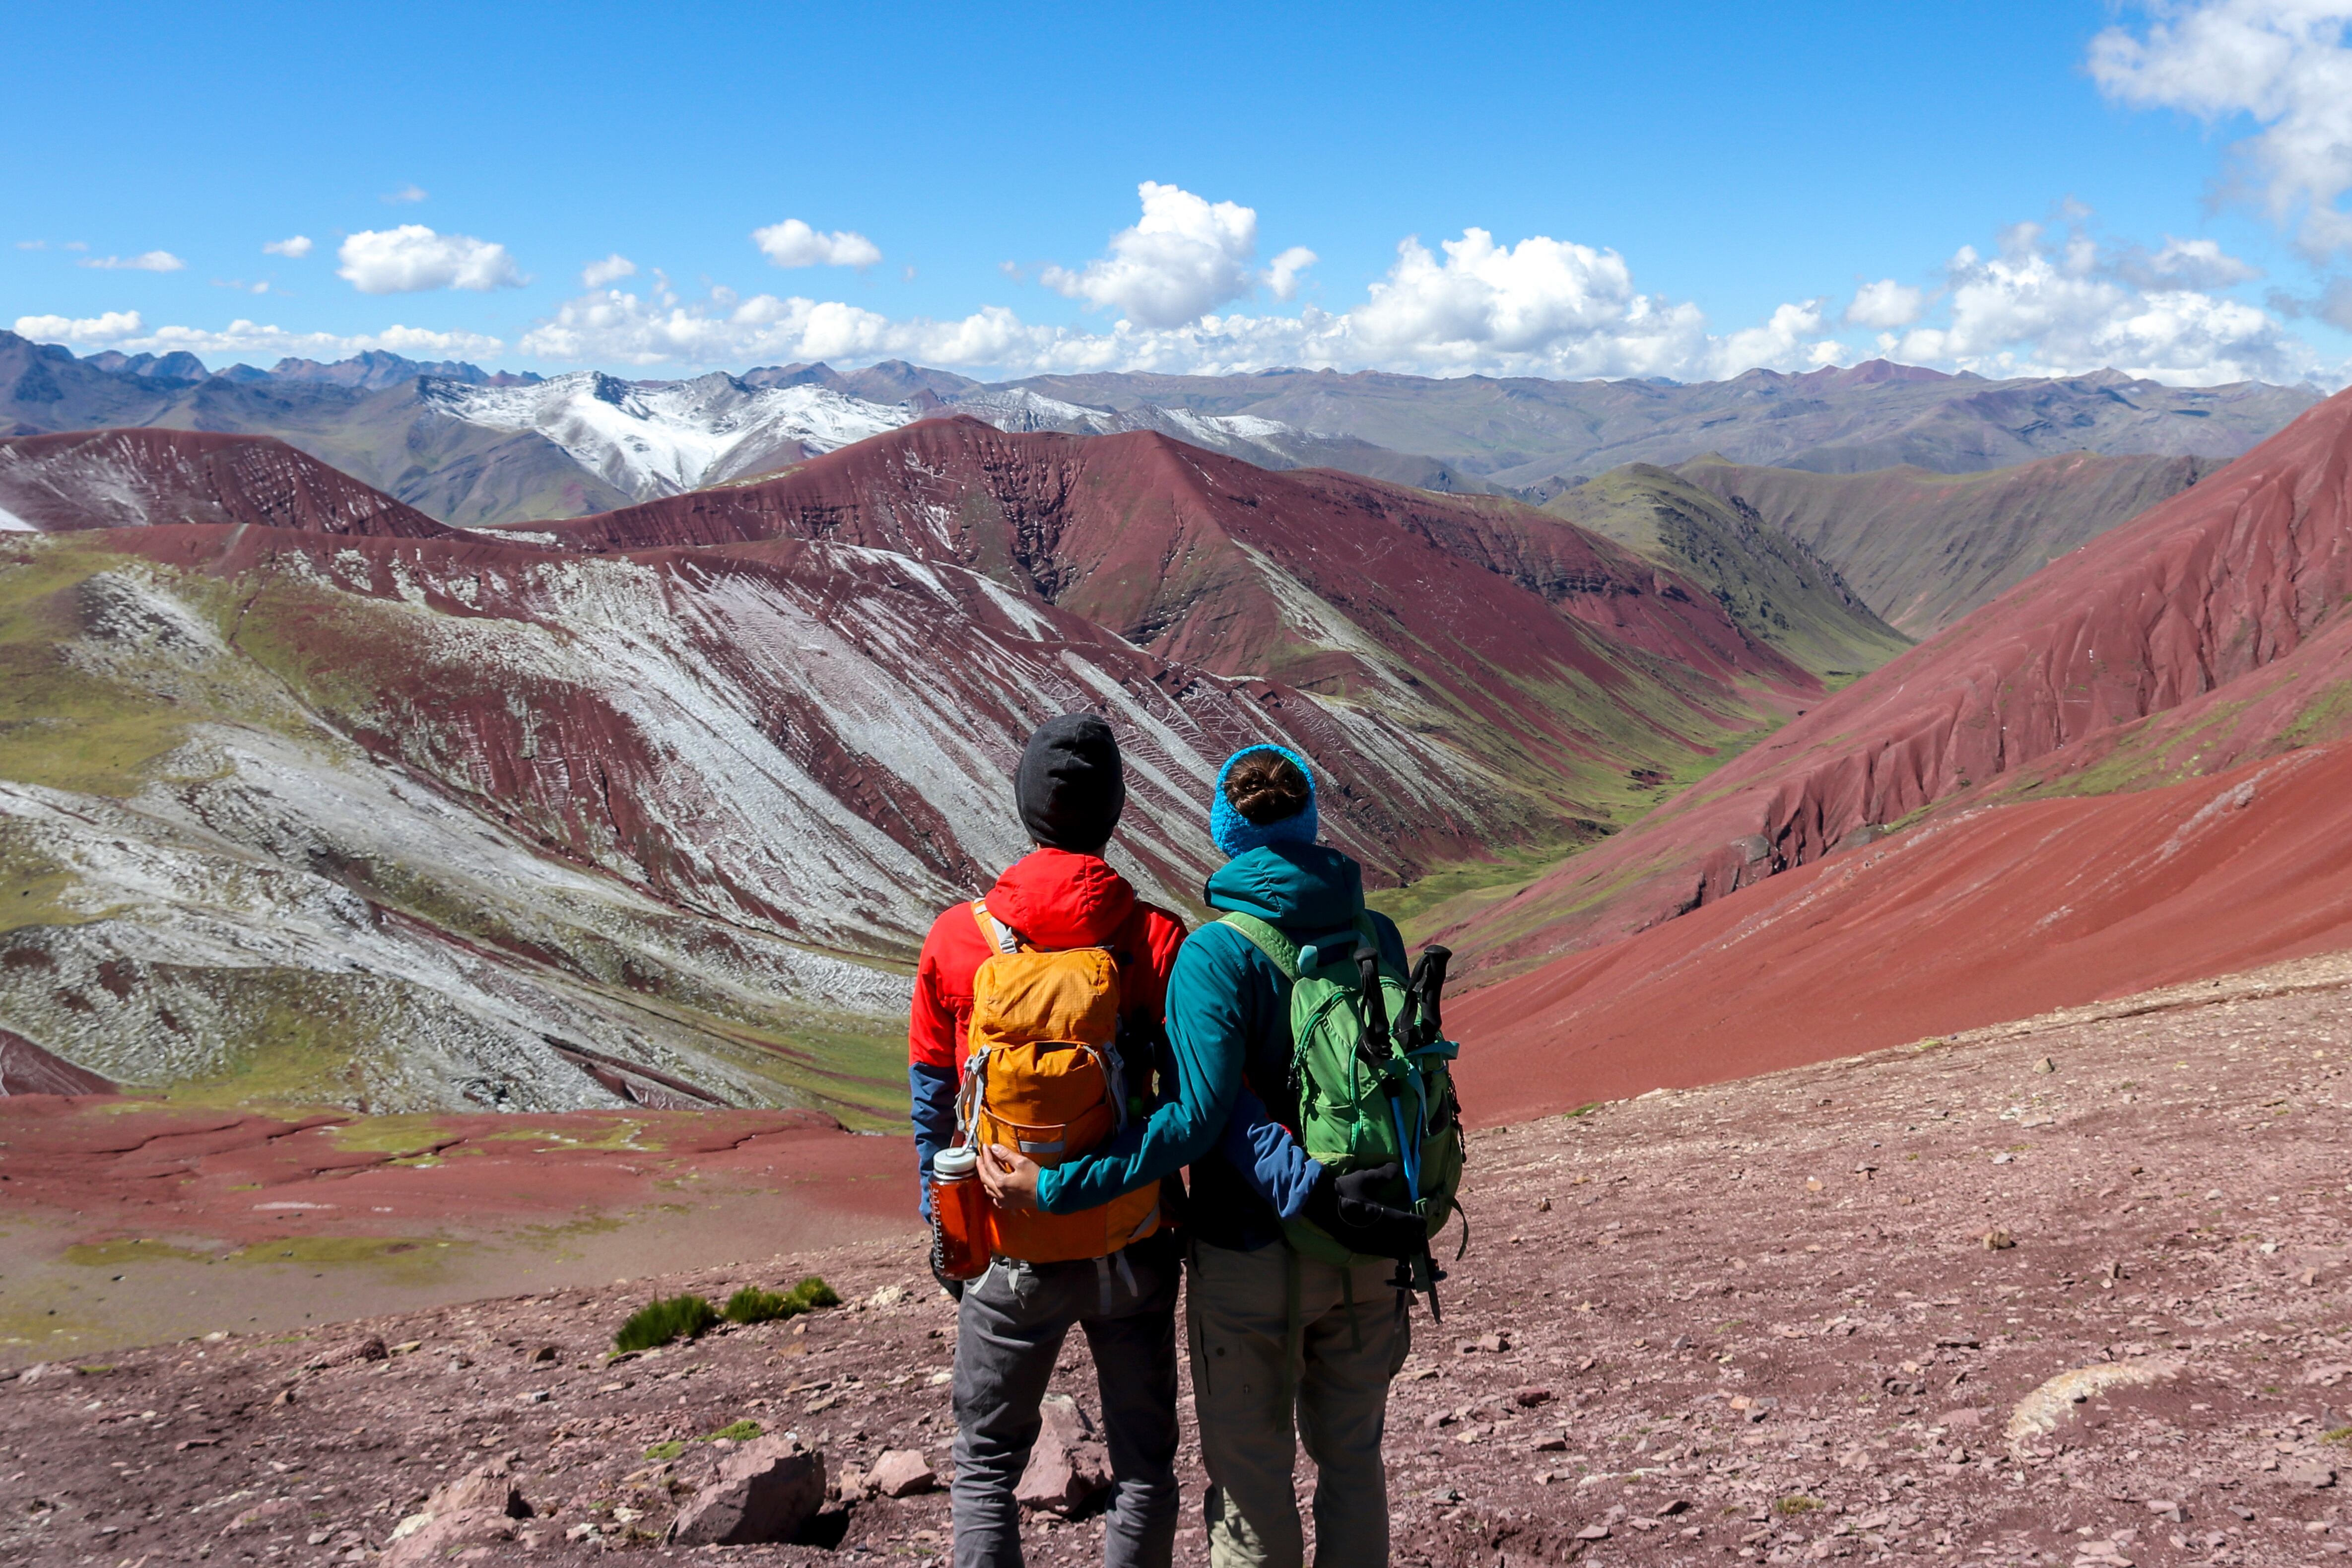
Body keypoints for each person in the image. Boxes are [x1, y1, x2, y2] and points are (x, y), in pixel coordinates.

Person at [982, 743, 1424, 1568]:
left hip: (1251, 1258)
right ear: (1310, 824)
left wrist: (1058, 1184)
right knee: (1354, 1470)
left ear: (1224, 834)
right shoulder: (1380, 936)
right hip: (1371, 1241)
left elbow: (1192, 1124)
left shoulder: (1217, 955)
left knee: (1254, 1493)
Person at [908, 713, 1187, 1568]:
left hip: (1004, 1247)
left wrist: (945, 1222)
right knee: (1144, 1471)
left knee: (986, 1469)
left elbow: (931, 1102)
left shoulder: (959, 939)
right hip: (1130, 1246)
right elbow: (1184, 1103)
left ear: (1026, 806)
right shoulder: (1155, 939)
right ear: (1114, 811)